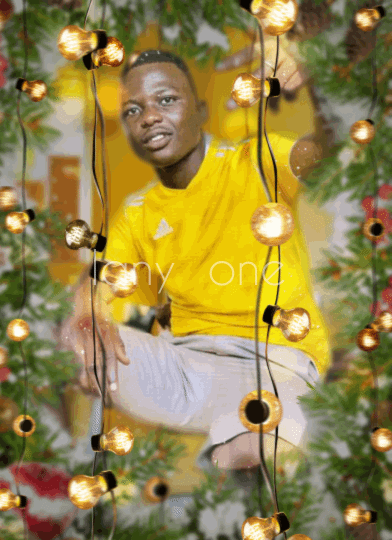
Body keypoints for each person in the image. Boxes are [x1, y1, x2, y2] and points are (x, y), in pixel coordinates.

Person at [60, 49, 330, 473]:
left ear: (201, 111)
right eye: (133, 110)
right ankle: (246, 432)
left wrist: (316, 80)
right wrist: (88, 317)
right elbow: (98, 277)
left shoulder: (258, 162)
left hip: (277, 360)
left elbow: (327, 158)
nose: (149, 117)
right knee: (78, 342)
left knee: (265, 423)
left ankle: (252, 438)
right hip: (184, 367)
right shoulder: (138, 213)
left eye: (166, 100)